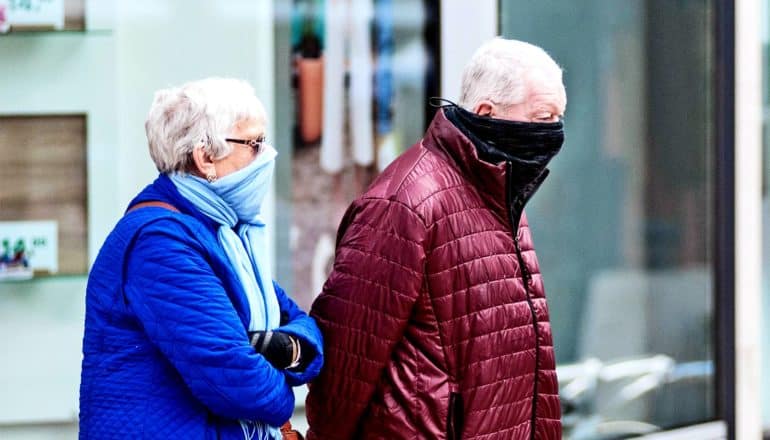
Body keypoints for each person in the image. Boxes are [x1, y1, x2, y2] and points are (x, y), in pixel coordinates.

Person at [306, 38, 567, 439]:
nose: (554, 133)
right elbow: (346, 357)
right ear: (486, 113)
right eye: (543, 116)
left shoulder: (502, 190)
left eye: (558, 118)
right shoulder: (404, 203)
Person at [79, 78, 323, 439]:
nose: (267, 155)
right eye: (254, 144)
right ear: (205, 158)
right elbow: (239, 383)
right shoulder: (161, 242)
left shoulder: (219, 233)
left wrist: (283, 347)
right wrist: (285, 389)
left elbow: (301, 324)